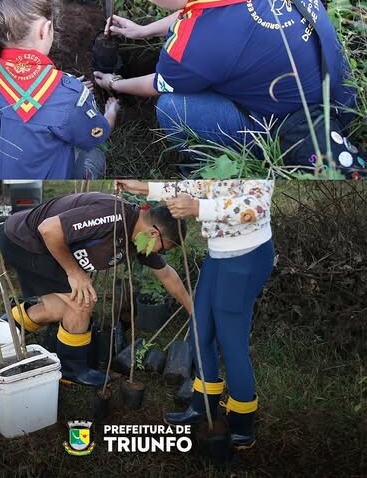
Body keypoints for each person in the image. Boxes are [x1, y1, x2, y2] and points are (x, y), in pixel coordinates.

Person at [94, 0, 358, 169]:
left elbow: (158, 84)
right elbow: (199, 8)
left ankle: (210, 164)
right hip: (338, 86)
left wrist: (114, 83)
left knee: (173, 108)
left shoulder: (195, 46)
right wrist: (143, 31)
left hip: (296, 124)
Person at [117, 179, 274, 450]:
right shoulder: (222, 158)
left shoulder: (257, 164)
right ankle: (203, 406)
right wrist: (144, 188)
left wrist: (198, 208)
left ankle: (241, 424)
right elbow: (201, 185)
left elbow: (256, 205)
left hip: (245, 257)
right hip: (218, 255)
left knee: (231, 343)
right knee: (200, 331)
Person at [0, 191, 191, 387]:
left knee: (57, 310)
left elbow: (167, 274)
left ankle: (1, 329)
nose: (159, 253)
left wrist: (193, 311)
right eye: (163, 249)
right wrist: (74, 273)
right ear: (153, 233)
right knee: (82, 301)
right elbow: (49, 230)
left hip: (45, 249)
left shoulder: (139, 238)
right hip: (25, 242)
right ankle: (71, 369)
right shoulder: (113, 216)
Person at [0, 0, 119, 179]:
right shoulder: (71, 97)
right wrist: (111, 112)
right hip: (42, 186)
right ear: (45, 29)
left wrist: (68, 91)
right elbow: (98, 133)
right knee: (95, 155)